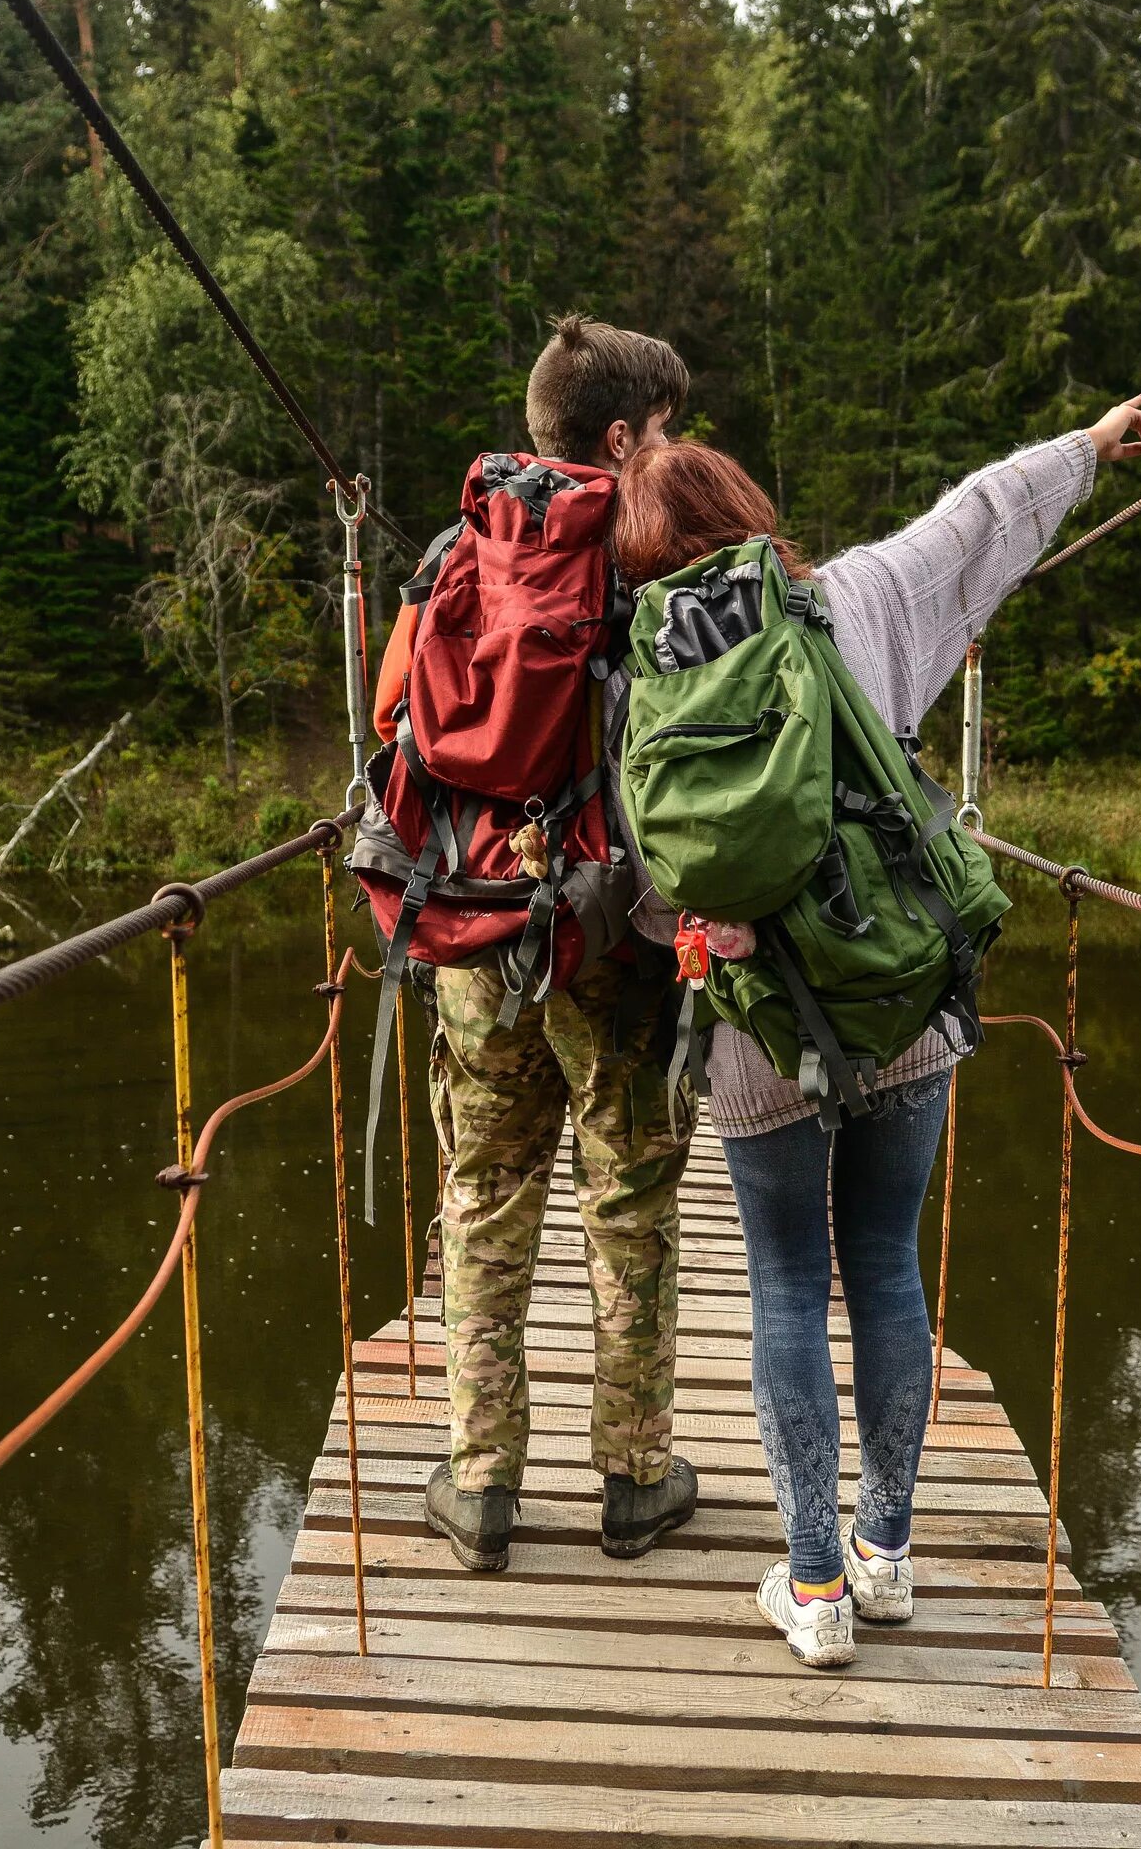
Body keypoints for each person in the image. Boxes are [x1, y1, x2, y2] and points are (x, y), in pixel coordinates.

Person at [608, 396, 1141, 1666]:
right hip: (904, 994)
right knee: (889, 1266)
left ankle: (812, 1590)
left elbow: (648, 881)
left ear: (640, 564)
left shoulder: (636, 680)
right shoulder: (859, 596)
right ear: (752, 519)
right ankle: (890, 1554)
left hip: (754, 1034)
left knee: (788, 1284)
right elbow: (979, 519)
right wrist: (1086, 445)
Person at [395, 317, 703, 1573]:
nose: (675, 450)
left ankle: (480, 1484)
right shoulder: (653, 569)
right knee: (627, 1192)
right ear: (621, 438)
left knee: (483, 1189)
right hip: (606, 937)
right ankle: (634, 1477)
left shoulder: (448, 556)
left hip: (474, 929)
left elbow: (392, 732)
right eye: (667, 429)